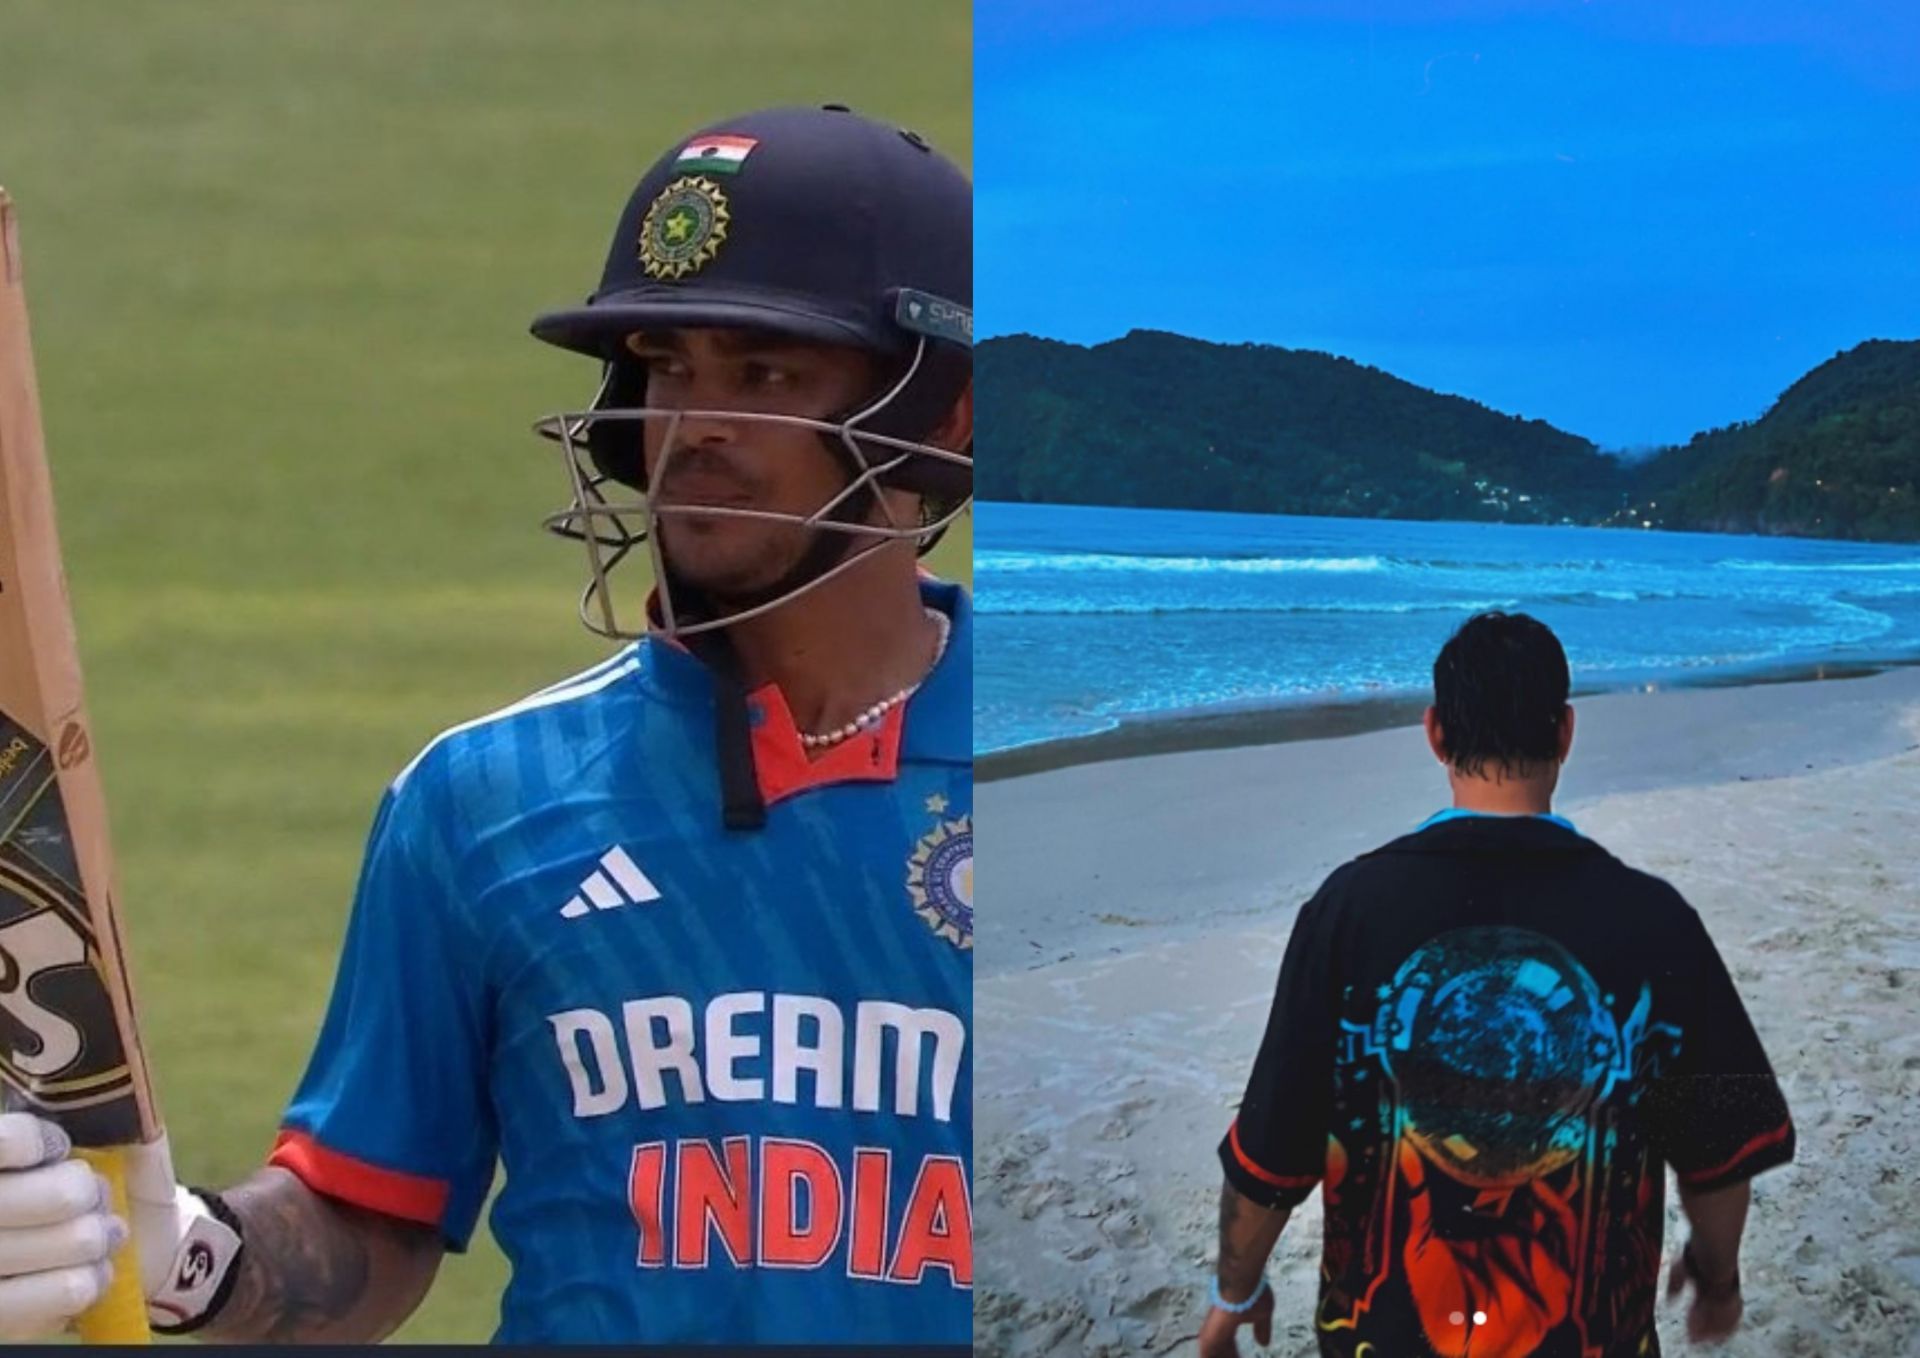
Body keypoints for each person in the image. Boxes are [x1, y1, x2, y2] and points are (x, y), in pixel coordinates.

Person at [0, 104, 973, 1346]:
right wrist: (190, 1252)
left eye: (765, 373)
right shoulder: (486, 797)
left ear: (940, 418)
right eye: (667, 367)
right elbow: (372, 1222)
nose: (694, 427)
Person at [1199, 612, 1794, 1358]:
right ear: (1567, 733)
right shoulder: (1654, 920)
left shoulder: (1349, 911)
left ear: (1436, 734)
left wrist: (1234, 1293)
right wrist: (1717, 1278)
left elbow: (1271, 1151)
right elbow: (1718, 1155)